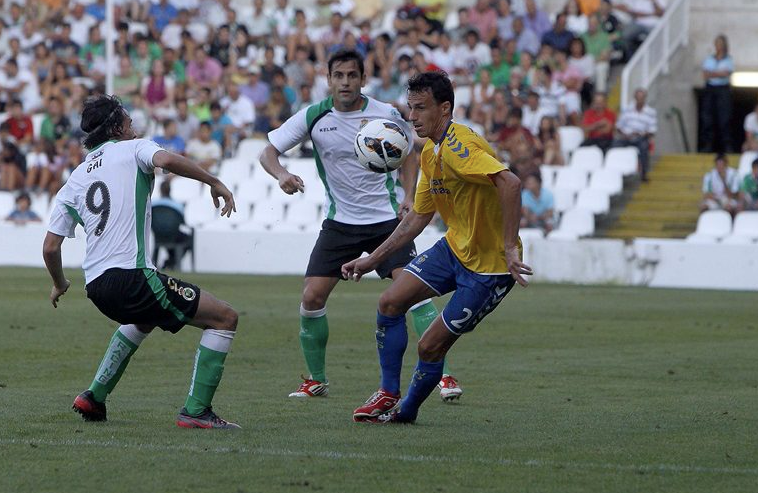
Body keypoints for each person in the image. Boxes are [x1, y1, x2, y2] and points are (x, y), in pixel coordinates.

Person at [258, 50, 464, 401]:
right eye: (338, 75)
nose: (345, 82)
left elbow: (411, 153)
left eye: (352, 75)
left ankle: (442, 376)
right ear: (329, 79)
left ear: (363, 79)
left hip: (387, 221)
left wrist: (409, 197)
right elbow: (268, 152)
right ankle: (315, 379)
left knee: (411, 294)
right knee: (311, 296)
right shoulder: (314, 116)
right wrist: (282, 175)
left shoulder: (385, 114)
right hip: (340, 223)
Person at [43, 94, 243, 429]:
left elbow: (50, 247)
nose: (133, 124)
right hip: (131, 277)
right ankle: (196, 411)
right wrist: (214, 181)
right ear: (117, 126)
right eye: (127, 119)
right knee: (225, 318)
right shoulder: (135, 148)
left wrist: (59, 283)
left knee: (143, 319)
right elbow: (166, 159)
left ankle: (94, 397)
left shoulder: (74, 179)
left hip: (97, 287)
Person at [343, 71, 532, 424]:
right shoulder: (431, 151)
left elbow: (511, 183)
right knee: (389, 301)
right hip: (454, 248)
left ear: (445, 109)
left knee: (429, 345)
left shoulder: (460, 147)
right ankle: (387, 392)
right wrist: (373, 260)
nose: (412, 117)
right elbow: (418, 217)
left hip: (489, 269)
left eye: (421, 108)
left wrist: (509, 247)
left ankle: (406, 413)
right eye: (410, 108)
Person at [700, 34, 734, 153]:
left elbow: (726, 73)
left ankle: (726, 146)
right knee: (707, 118)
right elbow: (705, 75)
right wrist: (718, 73)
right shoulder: (709, 59)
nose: (718, 46)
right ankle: (707, 145)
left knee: (724, 118)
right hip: (710, 89)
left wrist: (712, 73)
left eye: (720, 43)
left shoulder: (728, 59)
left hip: (723, 89)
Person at [614, 88, 657, 181]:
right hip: (626, 137)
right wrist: (625, 135)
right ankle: (615, 172)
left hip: (641, 137)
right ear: (634, 98)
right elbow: (618, 126)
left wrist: (640, 134)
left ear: (645, 98)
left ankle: (644, 174)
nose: (639, 100)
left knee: (644, 148)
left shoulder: (650, 112)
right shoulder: (627, 109)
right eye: (638, 97)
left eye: (641, 97)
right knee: (614, 145)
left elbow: (652, 130)